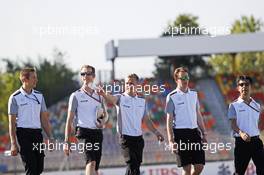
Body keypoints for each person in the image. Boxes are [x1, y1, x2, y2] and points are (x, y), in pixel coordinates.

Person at [98, 73, 164, 175]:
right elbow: (111, 98)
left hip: (138, 138)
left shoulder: (142, 101)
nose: (129, 85)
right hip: (125, 138)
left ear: (137, 85)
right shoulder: (120, 98)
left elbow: (146, 120)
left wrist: (156, 132)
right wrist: (103, 93)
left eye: (131, 83)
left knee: (135, 167)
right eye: (127, 83)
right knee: (132, 165)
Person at [8, 67, 53, 175]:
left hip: (37, 134)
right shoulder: (14, 97)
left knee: (39, 169)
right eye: (33, 78)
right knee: (31, 168)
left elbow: (44, 119)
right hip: (23, 135)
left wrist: (50, 137)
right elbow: (11, 123)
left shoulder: (39, 96)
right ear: (24, 79)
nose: (36, 80)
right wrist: (13, 143)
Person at [64, 65, 108, 175]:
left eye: (88, 73)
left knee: (95, 167)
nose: (85, 76)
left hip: (97, 133)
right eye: (82, 74)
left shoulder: (99, 95)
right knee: (91, 162)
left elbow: (103, 115)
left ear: (93, 76)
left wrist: (102, 121)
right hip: (83, 133)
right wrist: (67, 141)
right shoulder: (75, 95)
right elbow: (69, 120)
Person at [165, 67, 207, 175]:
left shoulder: (194, 94)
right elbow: (169, 120)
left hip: (194, 133)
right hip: (180, 134)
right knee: (186, 168)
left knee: (199, 166)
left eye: (187, 77)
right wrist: (171, 140)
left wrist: (204, 133)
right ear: (176, 79)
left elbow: (198, 114)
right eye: (182, 77)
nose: (185, 80)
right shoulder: (171, 96)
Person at [228, 75, 264, 175]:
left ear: (251, 86)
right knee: (239, 172)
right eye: (241, 84)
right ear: (238, 88)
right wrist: (241, 133)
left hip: (256, 142)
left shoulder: (257, 105)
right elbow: (233, 124)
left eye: (247, 84)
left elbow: (257, 123)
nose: (244, 86)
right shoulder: (233, 105)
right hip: (241, 143)